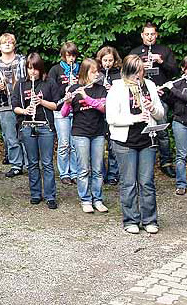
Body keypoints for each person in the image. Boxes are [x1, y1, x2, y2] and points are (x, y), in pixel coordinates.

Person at [107, 55, 164, 234]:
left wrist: (152, 108)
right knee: (128, 182)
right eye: (135, 72)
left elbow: (160, 113)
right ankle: (131, 219)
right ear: (128, 72)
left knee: (146, 181)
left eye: (140, 71)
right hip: (125, 141)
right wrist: (135, 118)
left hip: (147, 139)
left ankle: (149, 220)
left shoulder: (150, 86)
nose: (139, 75)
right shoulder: (117, 88)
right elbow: (111, 118)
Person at [128, 22, 177, 178]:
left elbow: (175, 72)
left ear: (156, 35)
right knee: (139, 128)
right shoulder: (135, 52)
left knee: (161, 130)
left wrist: (161, 62)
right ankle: (142, 162)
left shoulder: (164, 51)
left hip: (159, 96)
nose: (150, 37)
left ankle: (166, 162)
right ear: (142, 35)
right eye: (147, 34)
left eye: (152, 34)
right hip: (137, 96)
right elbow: (127, 73)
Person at [61, 58, 109, 214]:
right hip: (80, 132)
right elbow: (63, 113)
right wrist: (68, 102)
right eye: (93, 72)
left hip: (98, 132)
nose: (96, 75)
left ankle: (98, 199)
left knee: (98, 169)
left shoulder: (101, 89)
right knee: (83, 169)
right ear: (85, 72)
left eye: (97, 72)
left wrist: (86, 97)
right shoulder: (74, 88)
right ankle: (85, 199)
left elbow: (103, 108)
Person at [12, 53, 58, 208]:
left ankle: (50, 196)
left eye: (35, 69)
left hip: (45, 126)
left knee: (47, 163)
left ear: (40, 68)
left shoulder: (49, 82)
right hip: (27, 126)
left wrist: (41, 101)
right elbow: (15, 106)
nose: (33, 72)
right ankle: (36, 193)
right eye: (30, 68)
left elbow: (56, 105)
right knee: (32, 162)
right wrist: (26, 111)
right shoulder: (20, 84)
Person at [0, 33, 26, 177]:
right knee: (10, 136)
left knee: (25, 133)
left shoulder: (23, 61)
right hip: (5, 104)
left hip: (23, 102)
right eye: (4, 42)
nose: (8, 44)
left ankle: (30, 163)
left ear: (14, 45)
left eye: (10, 42)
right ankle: (16, 165)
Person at [162, 56, 187, 196]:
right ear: (183, 68)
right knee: (180, 155)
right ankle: (181, 184)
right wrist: (165, 92)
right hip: (179, 122)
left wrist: (174, 90)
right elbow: (172, 102)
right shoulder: (178, 83)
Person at [48, 42, 80, 186]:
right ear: (63, 55)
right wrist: (66, 87)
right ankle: (64, 173)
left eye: (73, 55)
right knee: (64, 143)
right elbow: (52, 91)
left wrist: (76, 84)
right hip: (61, 109)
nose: (71, 58)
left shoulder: (80, 68)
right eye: (68, 55)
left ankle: (74, 172)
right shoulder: (55, 70)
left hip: (77, 109)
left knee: (74, 144)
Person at [97, 47, 122, 186]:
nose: (108, 63)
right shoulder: (97, 74)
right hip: (99, 113)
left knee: (113, 144)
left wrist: (111, 89)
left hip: (113, 112)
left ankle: (113, 174)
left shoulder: (118, 75)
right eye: (105, 60)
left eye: (110, 60)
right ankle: (100, 173)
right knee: (100, 144)